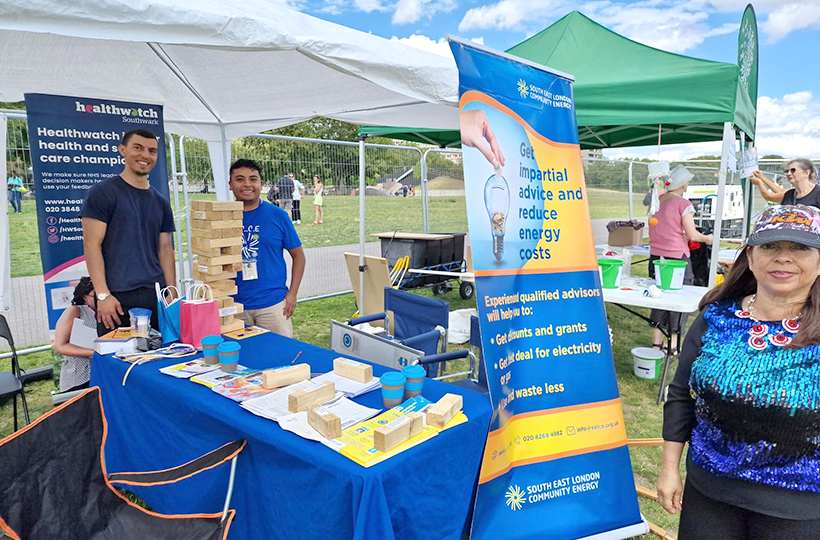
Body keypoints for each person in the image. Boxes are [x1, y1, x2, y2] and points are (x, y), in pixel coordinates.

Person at [658, 204, 820, 540]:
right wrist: (669, 469)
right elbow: (680, 395)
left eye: (801, 248)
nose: (783, 258)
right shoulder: (715, 316)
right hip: (709, 494)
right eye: (770, 246)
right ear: (750, 256)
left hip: (800, 510)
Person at [80, 129, 176, 335]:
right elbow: (91, 245)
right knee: (119, 364)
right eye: (138, 148)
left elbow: (166, 249)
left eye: (152, 151)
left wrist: (172, 292)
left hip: (155, 295)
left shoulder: (160, 202)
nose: (145, 155)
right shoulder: (102, 193)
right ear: (123, 150)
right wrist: (103, 295)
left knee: (158, 359)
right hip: (116, 297)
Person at [228, 159, 305, 337]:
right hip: (235, 306)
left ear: (261, 184)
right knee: (240, 360)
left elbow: (299, 256)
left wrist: (292, 294)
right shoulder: (222, 218)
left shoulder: (278, 216)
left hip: (273, 304)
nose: (247, 184)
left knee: (281, 359)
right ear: (231, 185)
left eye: (253, 179)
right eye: (240, 179)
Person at [647, 165, 713, 351]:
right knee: (678, 300)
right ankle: (673, 345)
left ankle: (656, 343)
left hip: (656, 257)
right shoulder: (683, 204)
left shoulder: (658, 201)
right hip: (677, 258)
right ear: (683, 184)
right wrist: (708, 239)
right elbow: (693, 235)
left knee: (657, 297)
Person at [53, 277, 96, 392]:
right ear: (85, 297)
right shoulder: (75, 311)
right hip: (79, 376)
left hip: (103, 374)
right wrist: (94, 353)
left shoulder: (110, 312)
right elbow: (60, 346)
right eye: (96, 295)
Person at [750, 159, 820, 207]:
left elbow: (769, 196)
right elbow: (780, 192)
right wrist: (762, 179)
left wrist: (759, 182)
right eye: (787, 171)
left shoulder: (817, 193)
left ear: (806, 173)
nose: (788, 174)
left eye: (793, 170)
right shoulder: (789, 195)